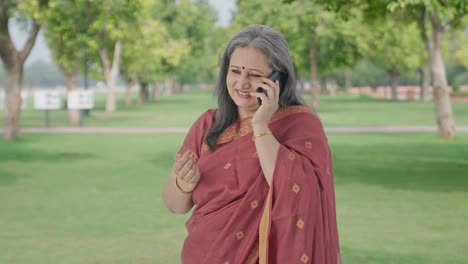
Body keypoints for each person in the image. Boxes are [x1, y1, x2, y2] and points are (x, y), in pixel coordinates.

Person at [163, 24, 341, 264]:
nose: (242, 83)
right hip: (203, 254)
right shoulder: (208, 125)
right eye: (235, 71)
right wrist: (182, 184)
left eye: (255, 75)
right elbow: (175, 206)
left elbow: (295, 189)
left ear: (278, 79)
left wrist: (260, 125)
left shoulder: (300, 125)